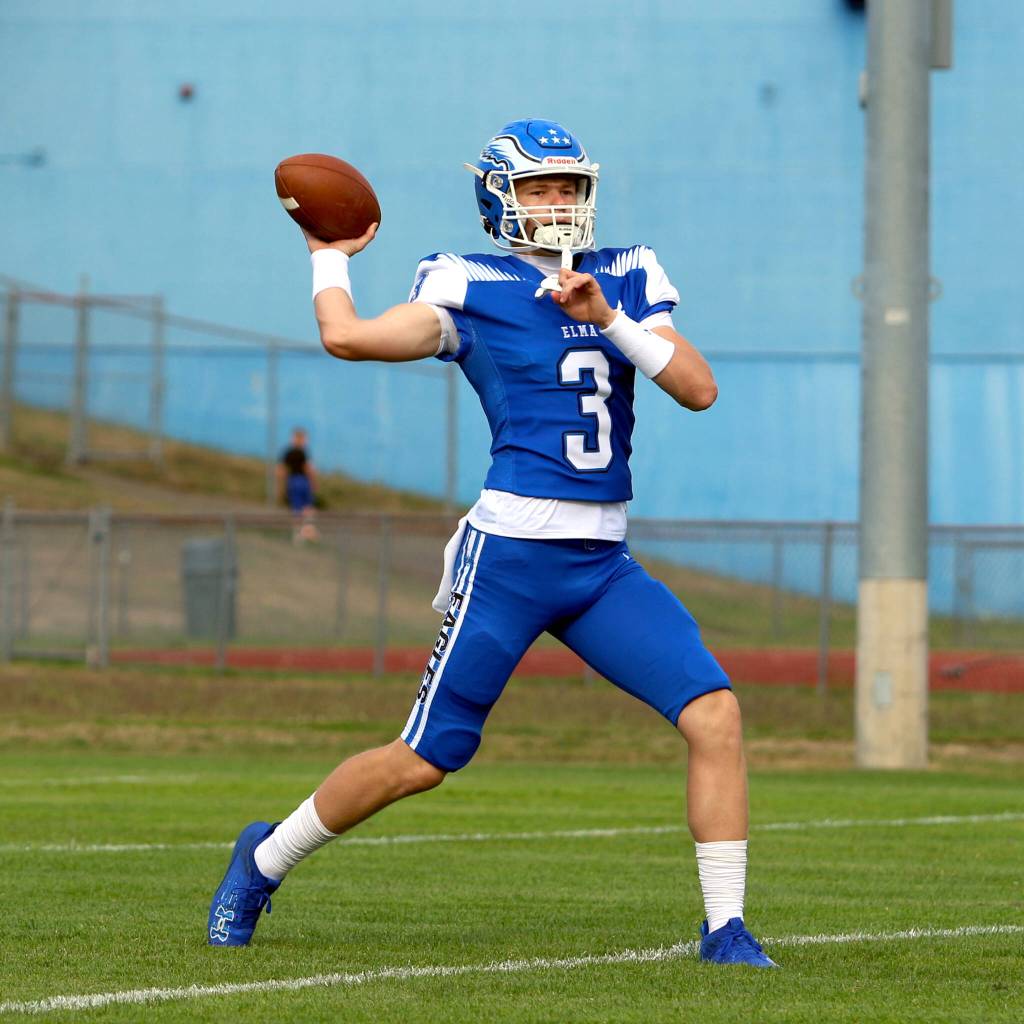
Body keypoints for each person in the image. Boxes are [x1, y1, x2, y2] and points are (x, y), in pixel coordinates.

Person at [207, 119, 777, 968]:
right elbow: (348, 338)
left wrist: (608, 318)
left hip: (601, 565)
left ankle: (725, 929)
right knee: (425, 760)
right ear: (500, 200)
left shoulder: (626, 273)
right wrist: (329, 254)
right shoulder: (470, 283)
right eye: (539, 188)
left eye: (568, 187)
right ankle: (262, 858)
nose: (557, 204)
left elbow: (698, 388)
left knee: (715, 713)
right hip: (511, 556)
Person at [277, 427, 319, 542]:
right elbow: (308, 469)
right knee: (307, 507)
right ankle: (307, 532)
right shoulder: (303, 453)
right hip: (302, 481)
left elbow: (281, 470)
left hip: (292, 481)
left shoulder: (287, 452)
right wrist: (313, 482)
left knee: (296, 509)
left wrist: (282, 486)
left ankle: (298, 534)